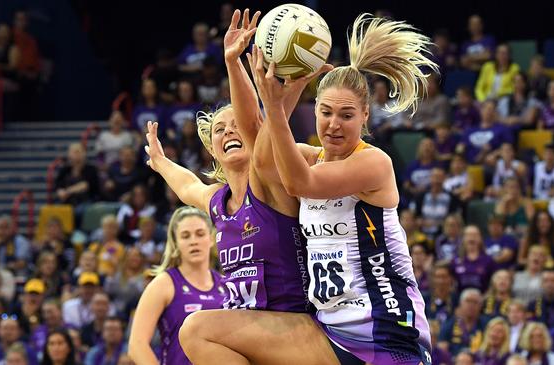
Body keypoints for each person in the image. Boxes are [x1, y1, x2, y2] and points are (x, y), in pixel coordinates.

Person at [148, 9, 340, 365]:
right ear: (211, 149)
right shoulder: (218, 201)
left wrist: (237, 65)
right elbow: (188, 185)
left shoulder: (270, 181)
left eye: (235, 126)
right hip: (253, 337)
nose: (229, 132)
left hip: (298, 329)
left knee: (195, 330)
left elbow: (260, 121)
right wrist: (160, 163)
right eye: (219, 130)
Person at [244, 12, 437, 365]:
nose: (334, 125)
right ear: (314, 110)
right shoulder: (309, 156)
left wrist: (272, 104)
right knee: (203, 331)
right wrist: (294, 88)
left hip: (385, 329)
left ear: (365, 115)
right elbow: (264, 163)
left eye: (346, 116)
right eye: (326, 112)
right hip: (330, 330)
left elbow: (297, 182)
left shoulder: (373, 163)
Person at [128, 207, 226, 365]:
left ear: (211, 238)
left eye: (200, 234)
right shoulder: (164, 283)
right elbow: (136, 345)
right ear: (176, 242)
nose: (193, 241)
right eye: (185, 236)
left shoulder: (226, 284)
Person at [438, 288, 488, 356]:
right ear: (461, 303)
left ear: (481, 306)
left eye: (475, 302)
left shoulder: (486, 325)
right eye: (468, 301)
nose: (471, 305)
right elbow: (442, 348)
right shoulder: (449, 324)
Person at [451, 225, 497, 292]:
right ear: (463, 238)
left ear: (480, 238)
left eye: (475, 235)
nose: (472, 237)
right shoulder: (455, 261)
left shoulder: (489, 261)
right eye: (468, 235)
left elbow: (493, 285)